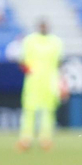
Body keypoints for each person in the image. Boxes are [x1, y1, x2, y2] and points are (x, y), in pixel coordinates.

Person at [16, 18, 64, 151]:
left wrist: (59, 80)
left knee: (48, 111)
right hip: (33, 82)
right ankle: (26, 139)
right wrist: (30, 71)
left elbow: (59, 62)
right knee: (29, 111)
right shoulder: (29, 41)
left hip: (50, 81)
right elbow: (22, 61)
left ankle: (46, 139)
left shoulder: (56, 42)